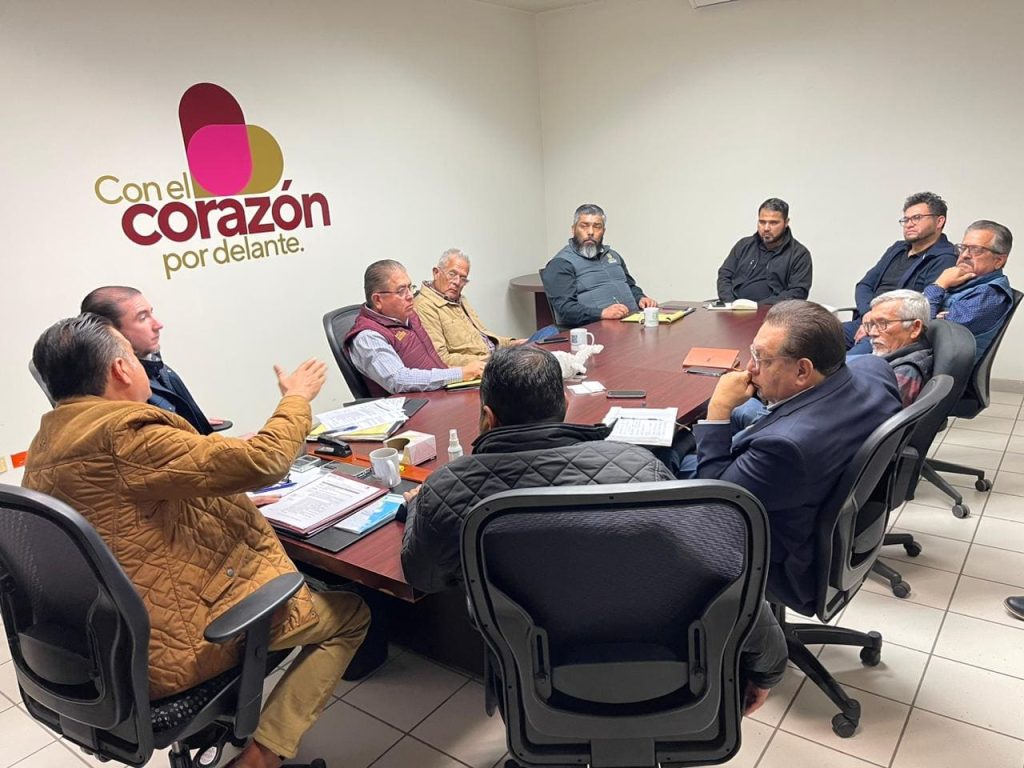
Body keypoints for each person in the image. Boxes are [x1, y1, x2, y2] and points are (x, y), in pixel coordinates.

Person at [23, 313, 370, 768]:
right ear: (120, 369)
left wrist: (227, 493)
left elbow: (130, 512)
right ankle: (262, 756)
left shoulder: (47, 445)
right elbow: (267, 460)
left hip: (106, 647)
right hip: (179, 646)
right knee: (350, 615)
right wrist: (297, 398)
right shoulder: (124, 434)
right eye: (133, 355)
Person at [400, 345, 787, 714]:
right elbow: (720, 572)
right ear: (565, 404)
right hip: (659, 670)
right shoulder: (639, 468)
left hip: (535, 688)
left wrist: (420, 503)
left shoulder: (448, 488)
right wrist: (767, 667)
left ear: (488, 416)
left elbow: (423, 576)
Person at [691, 300, 903, 614]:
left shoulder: (786, 447)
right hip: (817, 509)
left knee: (652, 467)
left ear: (803, 370)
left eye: (761, 358)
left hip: (778, 557)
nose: (750, 368)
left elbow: (718, 504)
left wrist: (719, 409)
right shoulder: (875, 369)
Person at [81, 286, 219, 434]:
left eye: (151, 313)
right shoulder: (124, 394)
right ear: (111, 332)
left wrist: (193, 421)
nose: (158, 325)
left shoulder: (155, 366)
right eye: (142, 318)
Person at [345, 259, 486, 395]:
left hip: (441, 391)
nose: (410, 296)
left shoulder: (408, 315)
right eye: (401, 291)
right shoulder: (367, 337)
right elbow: (398, 380)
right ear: (378, 300)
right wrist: (459, 373)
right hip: (414, 405)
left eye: (410, 287)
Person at [843, 192, 957, 351]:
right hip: (866, 319)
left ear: (939, 221)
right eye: (906, 219)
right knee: (814, 335)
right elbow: (864, 285)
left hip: (894, 332)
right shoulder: (897, 248)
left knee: (853, 362)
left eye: (916, 218)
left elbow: (923, 306)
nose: (909, 224)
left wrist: (876, 322)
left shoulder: (946, 258)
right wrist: (869, 314)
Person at [541, 203, 656, 325]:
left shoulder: (613, 255)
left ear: (603, 231)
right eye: (584, 226)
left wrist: (640, 297)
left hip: (634, 322)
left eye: (597, 227)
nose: (590, 232)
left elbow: (630, 285)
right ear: (573, 230)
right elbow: (565, 309)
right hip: (595, 330)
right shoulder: (561, 263)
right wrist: (601, 313)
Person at [922, 220, 1014, 363]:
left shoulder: (991, 294)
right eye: (963, 248)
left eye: (976, 250)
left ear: (999, 261)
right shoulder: (958, 281)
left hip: (932, 368)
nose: (964, 255)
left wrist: (939, 285)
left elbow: (924, 331)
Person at [413, 248, 522, 365]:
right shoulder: (424, 306)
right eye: (452, 274)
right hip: (481, 366)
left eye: (463, 278)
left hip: (495, 356)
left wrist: (513, 343)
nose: (457, 282)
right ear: (436, 273)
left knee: (534, 343)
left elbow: (484, 338)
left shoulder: (459, 299)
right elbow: (441, 359)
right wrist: (492, 360)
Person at [717, 198, 812, 304]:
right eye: (762, 222)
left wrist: (757, 307)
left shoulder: (799, 254)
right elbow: (724, 275)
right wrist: (731, 303)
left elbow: (798, 292)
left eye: (773, 223)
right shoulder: (744, 245)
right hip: (734, 307)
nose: (766, 228)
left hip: (772, 311)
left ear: (786, 222)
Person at [861, 289, 933, 406]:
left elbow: (873, 414)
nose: (872, 332)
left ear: (915, 328)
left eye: (883, 323)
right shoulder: (891, 356)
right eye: (871, 324)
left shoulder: (905, 372)